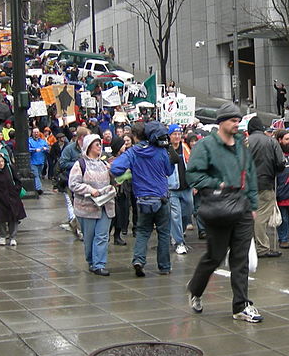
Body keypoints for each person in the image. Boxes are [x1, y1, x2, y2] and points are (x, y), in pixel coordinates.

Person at [186, 102, 261, 323]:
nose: (236, 124)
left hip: (243, 209)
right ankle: (195, 289)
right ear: (221, 123)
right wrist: (218, 184)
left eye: (238, 120)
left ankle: (241, 305)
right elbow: (193, 175)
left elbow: (251, 174)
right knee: (215, 256)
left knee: (241, 259)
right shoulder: (206, 146)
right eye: (232, 120)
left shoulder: (241, 145)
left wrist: (253, 204)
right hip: (219, 209)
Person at [109, 121, 173, 276]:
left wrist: (131, 169)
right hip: (161, 197)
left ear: (135, 136)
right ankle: (164, 267)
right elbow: (169, 171)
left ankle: (139, 260)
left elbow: (116, 168)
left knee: (143, 231)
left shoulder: (133, 152)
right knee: (163, 233)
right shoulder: (160, 150)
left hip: (143, 199)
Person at [69, 134, 115, 276]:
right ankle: (91, 261)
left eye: (100, 145)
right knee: (89, 237)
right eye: (97, 145)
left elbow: (113, 180)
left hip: (105, 205)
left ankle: (99, 264)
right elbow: (73, 184)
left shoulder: (104, 163)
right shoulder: (80, 164)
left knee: (102, 236)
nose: (99, 147)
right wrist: (90, 190)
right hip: (87, 207)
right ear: (89, 147)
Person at [247, 116, 285, 258]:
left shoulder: (245, 142)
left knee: (250, 215)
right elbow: (281, 163)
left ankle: (249, 245)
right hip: (266, 183)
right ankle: (262, 247)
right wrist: (274, 170)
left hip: (247, 185)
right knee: (261, 216)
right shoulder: (271, 142)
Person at [167, 124, 194, 255]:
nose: (177, 136)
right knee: (175, 215)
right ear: (170, 136)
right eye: (174, 134)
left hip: (187, 187)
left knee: (188, 212)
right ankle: (179, 242)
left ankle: (178, 232)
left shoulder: (184, 148)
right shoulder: (166, 149)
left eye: (179, 134)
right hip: (172, 189)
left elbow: (191, 164)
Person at [27, 126, 49, 195]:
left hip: (41, 162)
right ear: (32, 133)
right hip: (33, 162)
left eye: (37, 132)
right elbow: (27, 149)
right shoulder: (29, 141)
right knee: (36, 175)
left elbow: (48, 148)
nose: (36, 133)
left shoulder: (42, 141)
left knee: (38, 175)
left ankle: (35, 187)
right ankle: (39, 189)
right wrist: (34, 150)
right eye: (34, 132)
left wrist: (46, 149)